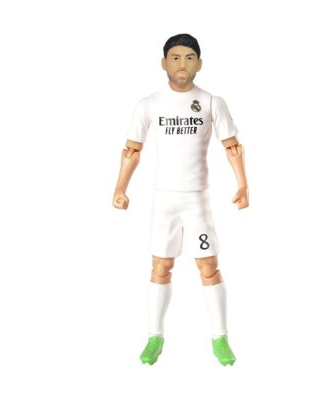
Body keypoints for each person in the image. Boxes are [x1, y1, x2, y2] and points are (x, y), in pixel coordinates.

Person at [112, 33, 249, 366]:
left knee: (209, 267)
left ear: (199, 63)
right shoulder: (149, 104)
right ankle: (154, 336)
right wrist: (120, 188)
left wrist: (243, 184)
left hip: (198, 200)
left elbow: (231, 145)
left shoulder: (212, 102)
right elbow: (132, 149)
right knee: (160, 267)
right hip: (165, 201)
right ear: (164, 63)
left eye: (189, 57)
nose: (182, 64)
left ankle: (220, 338)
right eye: (175, 57)